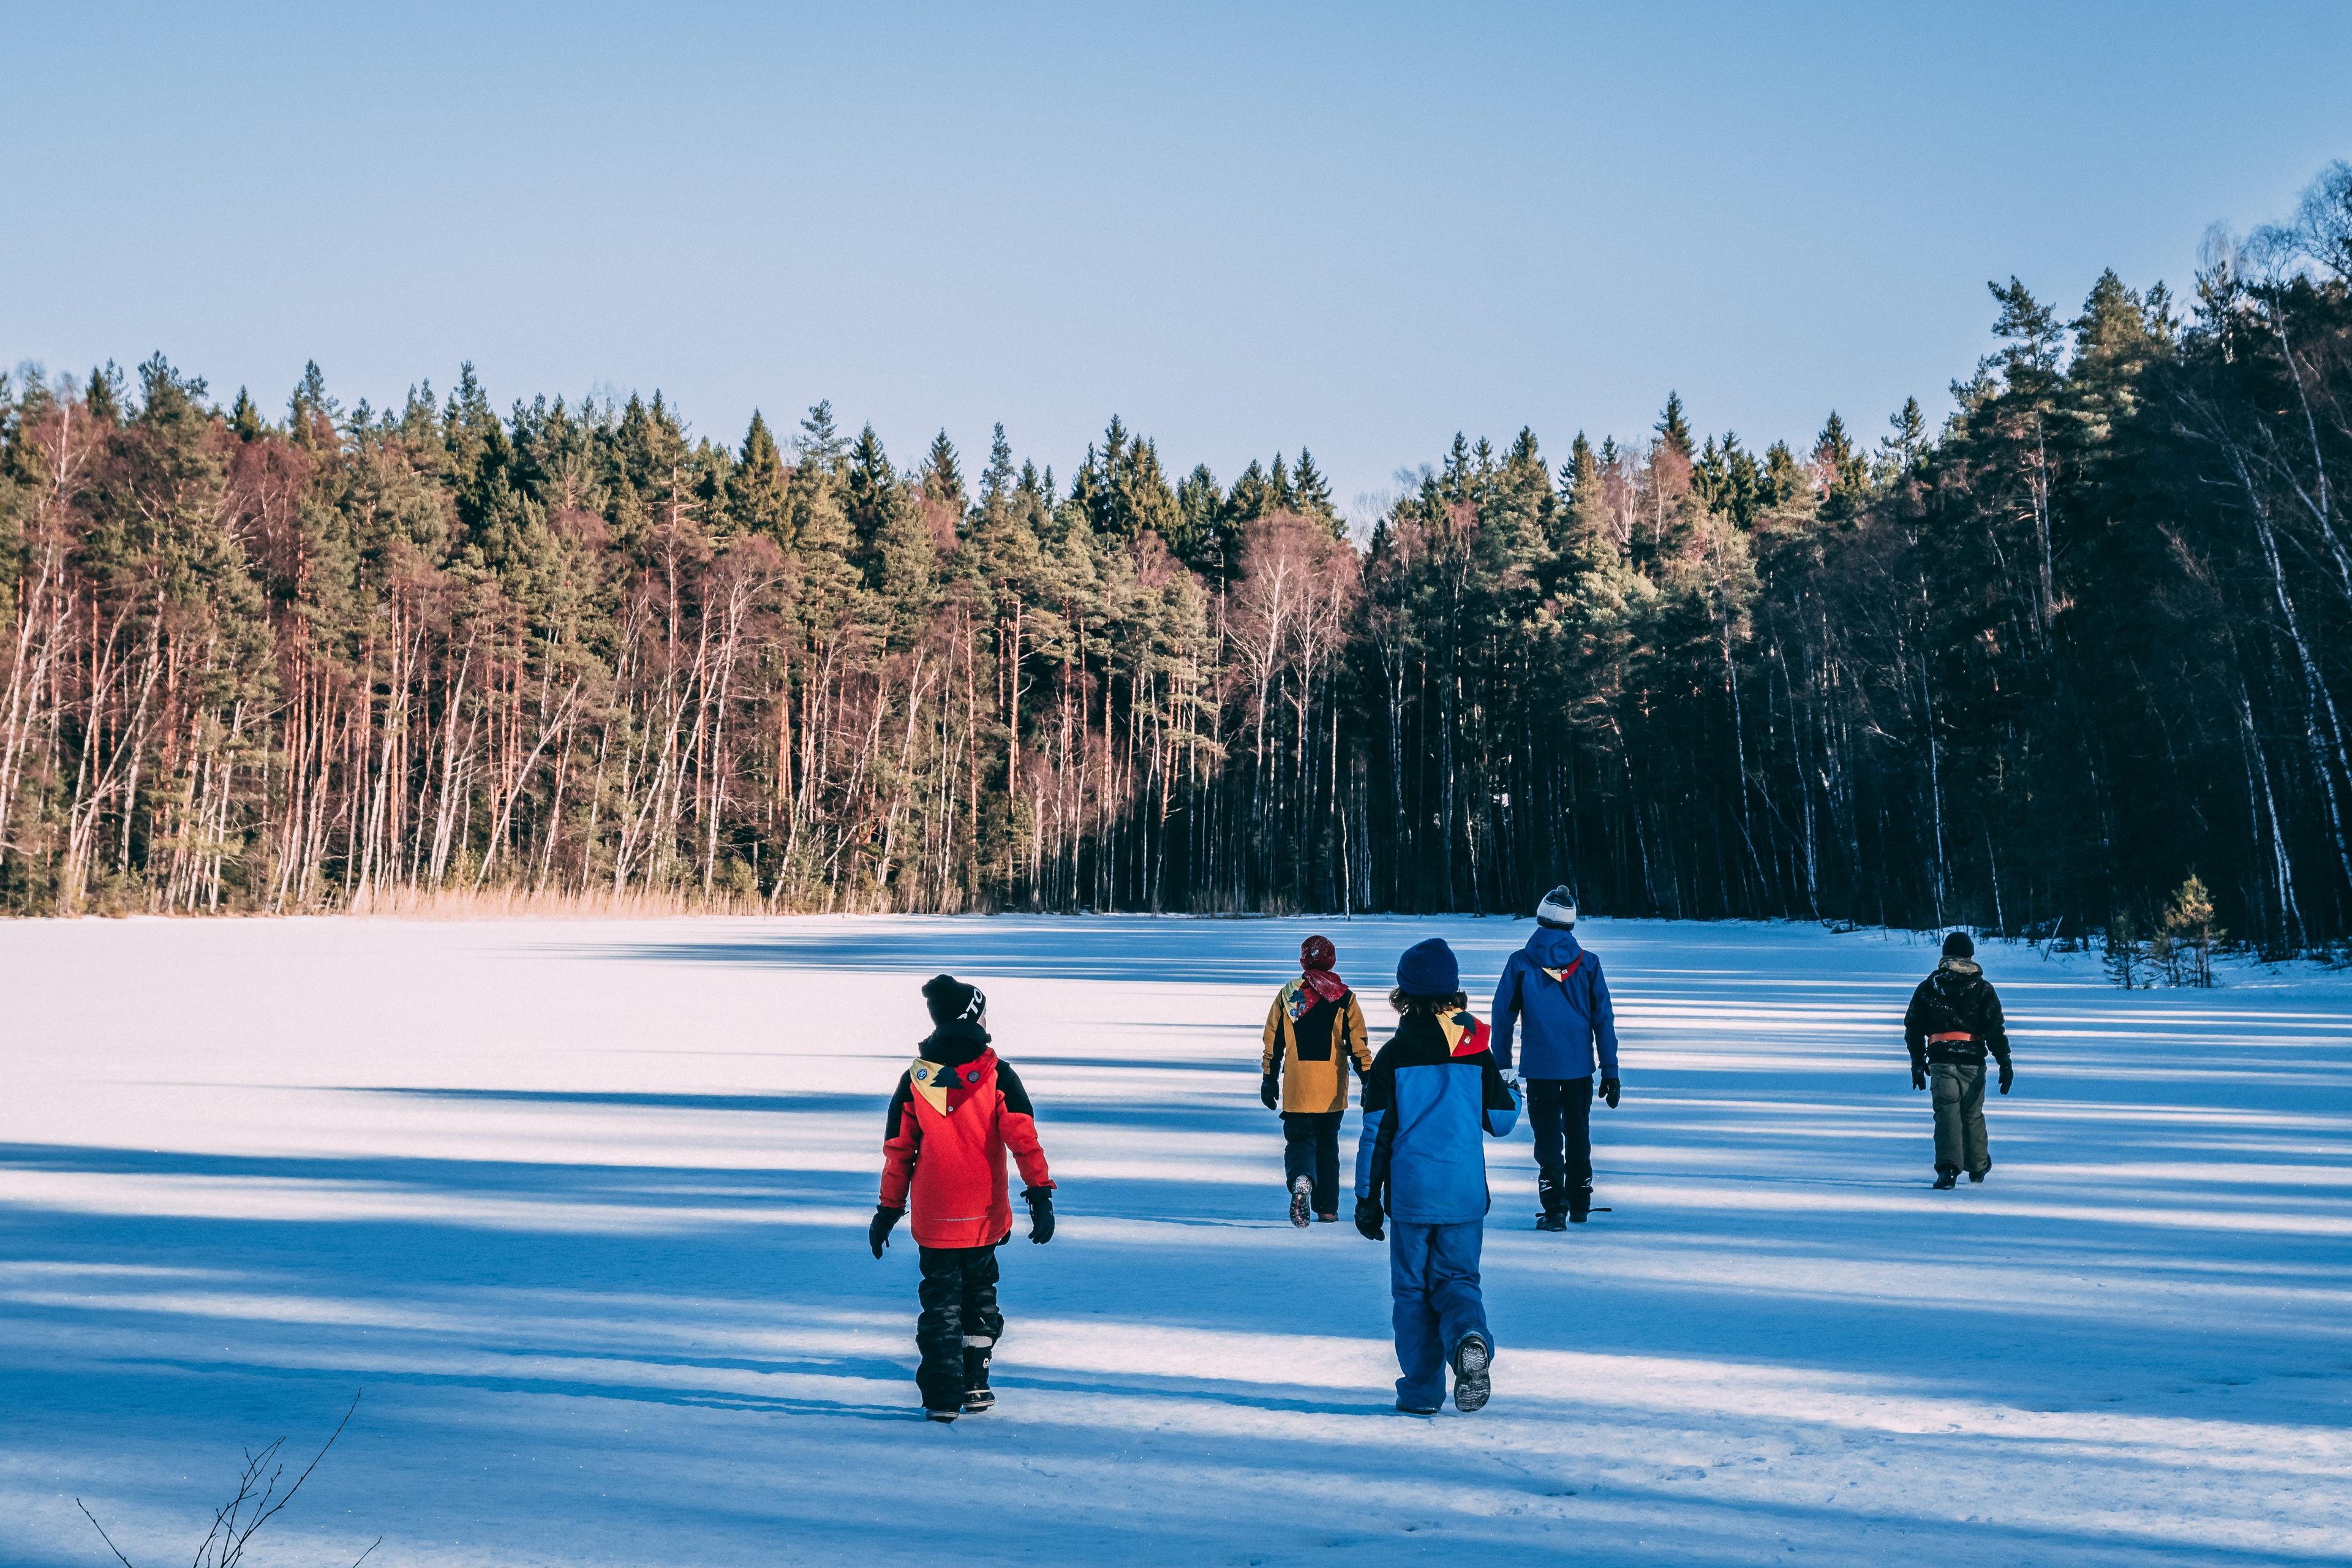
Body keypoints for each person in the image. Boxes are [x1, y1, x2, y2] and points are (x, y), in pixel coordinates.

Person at [870, 974, 1055, 1422]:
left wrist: (889, 1210)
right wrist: (1039, 1195)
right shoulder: (998, 1076)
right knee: (979, 1299)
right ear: (973, 1017)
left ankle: (940, 1397)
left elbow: (900, 1149)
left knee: (940, 1306)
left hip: (935, 1221)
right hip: (984, 1217)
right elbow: (1024, 1140)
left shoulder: (916, 1079)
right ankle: (975, 1383)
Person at [1354, 937, 1520, 1415]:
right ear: (1455, 995)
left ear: (1403, 996)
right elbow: (1503, 1121)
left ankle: (1423, 1392)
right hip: (1464, 1196)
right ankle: (1469, 1336)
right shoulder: (1475, 1053)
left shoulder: (1393, 1057)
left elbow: (1375, 1136)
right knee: (1458, 1281)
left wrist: (1367, 1199)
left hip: (1411, 1197)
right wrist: (1511, 1089)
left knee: (1411, 1294)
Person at [1490, 886, 1620, 1229]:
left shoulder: (1521, 962)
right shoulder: (1589, 963)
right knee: (1578, 1130)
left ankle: (1555, 1207)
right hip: (1579, 1068)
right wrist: (1611, 1070)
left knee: (1547, 1136)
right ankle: (1579, 1200)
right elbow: (1603, 1019)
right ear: (1571, 923)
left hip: (1541, 1069)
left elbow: (1502, 1017)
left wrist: (1502, 1066)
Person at [1261, 933, 1375, 1226]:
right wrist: (1369, 1078)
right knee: (1328, 1146)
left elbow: (1274, 1041)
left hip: (1298, 1089)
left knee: (1301, 1140)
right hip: (1331, 1091)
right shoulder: (1344, 997)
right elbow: (1358, 1045)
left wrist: (1269, 1077)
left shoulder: (1289, 996)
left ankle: (1301, 1178)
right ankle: (1327, 1210)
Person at [1903, 932, 2015, 1189]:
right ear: (1970, 956)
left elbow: (1913, 1028)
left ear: (1944, 956)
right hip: (1974, 1063)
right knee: (1972, 1114)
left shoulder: (1929, 987)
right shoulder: (1983, 989)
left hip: (1941, 1061)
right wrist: (2005, 1062)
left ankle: (1948, 1170)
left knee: (1947, 1113)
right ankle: (1977, 1167)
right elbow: (1995, 1030)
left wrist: (1917, 1062)